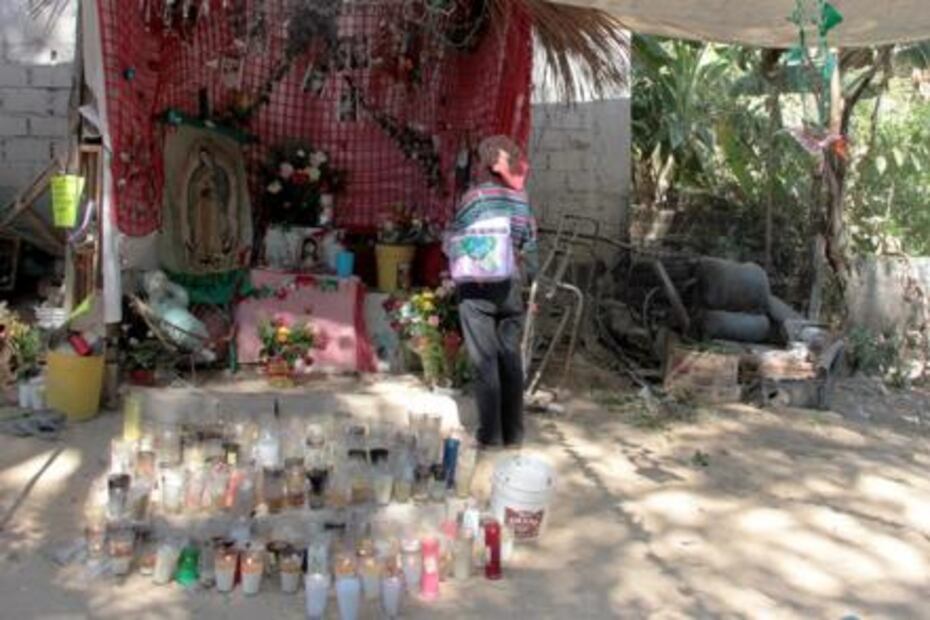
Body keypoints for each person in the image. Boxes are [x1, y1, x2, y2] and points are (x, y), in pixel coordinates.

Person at [446, 135, 538, 449]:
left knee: (485, 361)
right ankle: (514, 433)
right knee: (510, 359)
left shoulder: (475, 197)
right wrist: (531, 284)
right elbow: (530, 244)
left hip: (477, 289)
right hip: (511, 286)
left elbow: (456, 237)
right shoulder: (522, 199)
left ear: (485, 165)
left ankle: (491, 435)